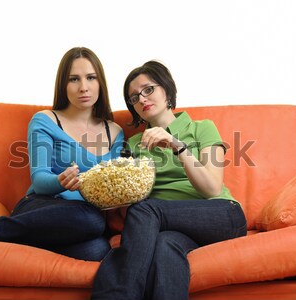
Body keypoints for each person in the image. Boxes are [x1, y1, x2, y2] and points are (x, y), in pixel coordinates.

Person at [0, 47, 124, 261]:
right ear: (63, 85)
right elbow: (39, 181)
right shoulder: (45, 120)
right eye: (74, 79)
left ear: (100, 82)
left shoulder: (114, 131)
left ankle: (11, 237)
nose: (83, 87)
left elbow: (113, 185)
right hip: (43, 206)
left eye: (91, 78)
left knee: (97, 250)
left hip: (77, 223)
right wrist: (60, 181)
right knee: (92, 220)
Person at [91, 61, 247, 299]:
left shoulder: (201, 128)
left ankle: (120, 294)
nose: (142, 99)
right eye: (134, 97)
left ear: (167, 89)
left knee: (147, 209)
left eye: (148, 89)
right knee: (165, 247)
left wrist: (177, 146)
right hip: (168, 229)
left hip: (220, 214)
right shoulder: (134, 144)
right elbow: (130, 197)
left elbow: (212, 188)